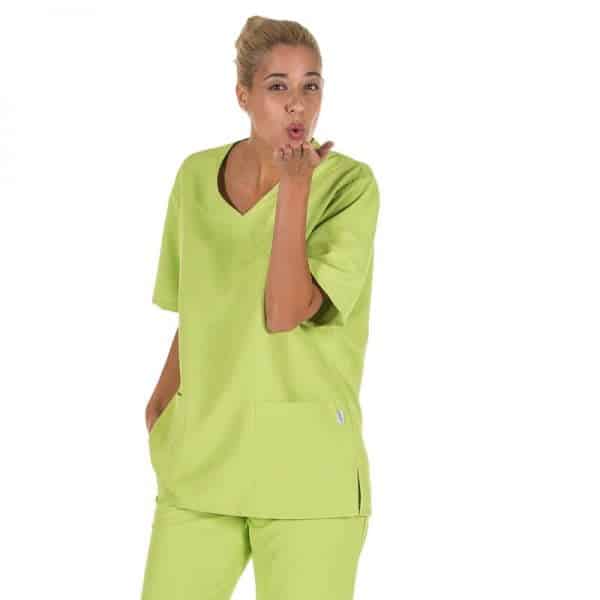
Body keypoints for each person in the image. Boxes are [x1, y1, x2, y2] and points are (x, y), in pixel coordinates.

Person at [141, 15, 381, 600]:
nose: (297, 103)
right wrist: (160, 411)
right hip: (203, 463)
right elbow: (196, 308)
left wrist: (295, 188)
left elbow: (284, 312)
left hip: (308, 476)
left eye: (311, 85)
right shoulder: (195, 176)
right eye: (278, 86)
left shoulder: (349, 186)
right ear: (243, 94)